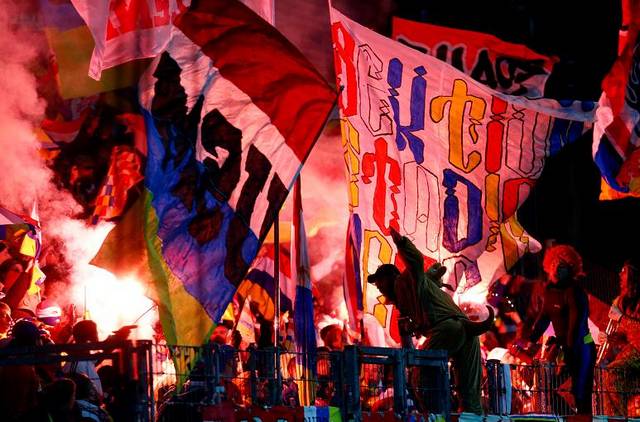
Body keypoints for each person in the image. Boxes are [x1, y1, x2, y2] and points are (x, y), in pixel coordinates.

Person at [367, 228, 493, 415]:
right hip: (467, 331)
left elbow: (415, 262)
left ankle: (436, 416)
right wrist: (415, 326)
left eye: (379, 283)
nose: (379, 289)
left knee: (421, 375)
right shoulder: (412, 292)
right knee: (469, 389)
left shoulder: (404, 281)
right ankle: (470, 417)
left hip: (447, 329)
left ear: (390, 278)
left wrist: (402, 243)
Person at [520, 244, 595, 415]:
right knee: (548, 389)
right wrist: (528, 341)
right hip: (566, 348)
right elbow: (543, 320)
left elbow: (578, 324)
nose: (556, 268)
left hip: (582, 347)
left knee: (581, 393)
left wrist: (568, 346)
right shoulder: (550, 292)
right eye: (554, 263)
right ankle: (568, 418)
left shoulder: (575, 291)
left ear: (571, 268)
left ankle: (579, 418)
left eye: (561, 265)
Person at [598, 258, 640, 416]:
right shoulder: (625, 301)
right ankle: (617, 417)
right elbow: (625, 335)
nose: (619, 274)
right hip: (633, 352)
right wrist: (610, 337)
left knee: (614, 372)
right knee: (608, 372)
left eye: (624, 271)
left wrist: (621, 318)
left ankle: (617, 419)